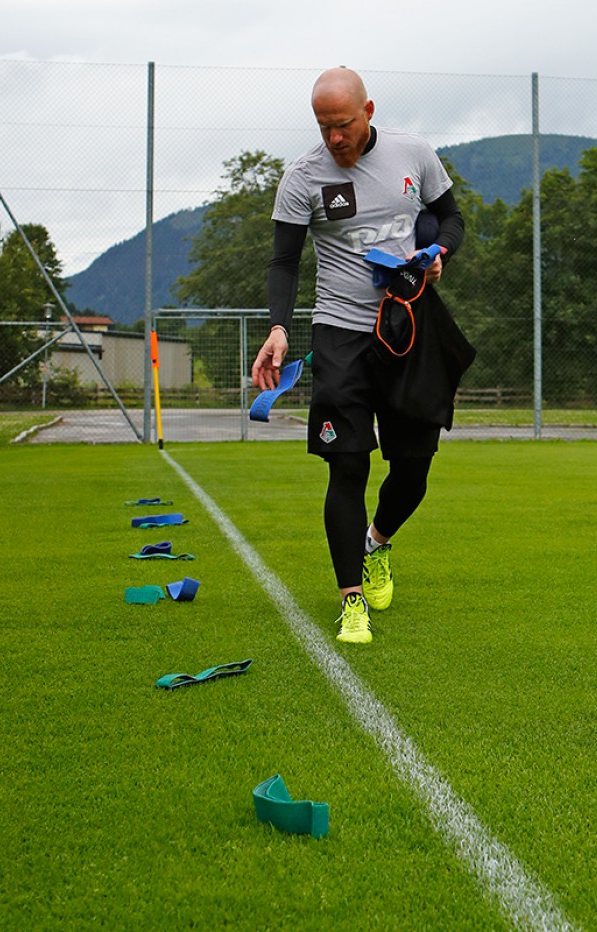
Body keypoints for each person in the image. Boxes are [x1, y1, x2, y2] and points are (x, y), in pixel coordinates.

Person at [251, 66, 465, 644]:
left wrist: (439, 249)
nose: (334, 139)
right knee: (348, 464)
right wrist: (278, 327)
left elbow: (451, 217)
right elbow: (283, 263)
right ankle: (351, 601)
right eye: (324, 128)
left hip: (408, 326)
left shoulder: (414, 154)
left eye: (343, 125)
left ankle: (376, 543)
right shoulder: (301, 177)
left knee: (414, 469)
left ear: (368, 111)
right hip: (339, 333)